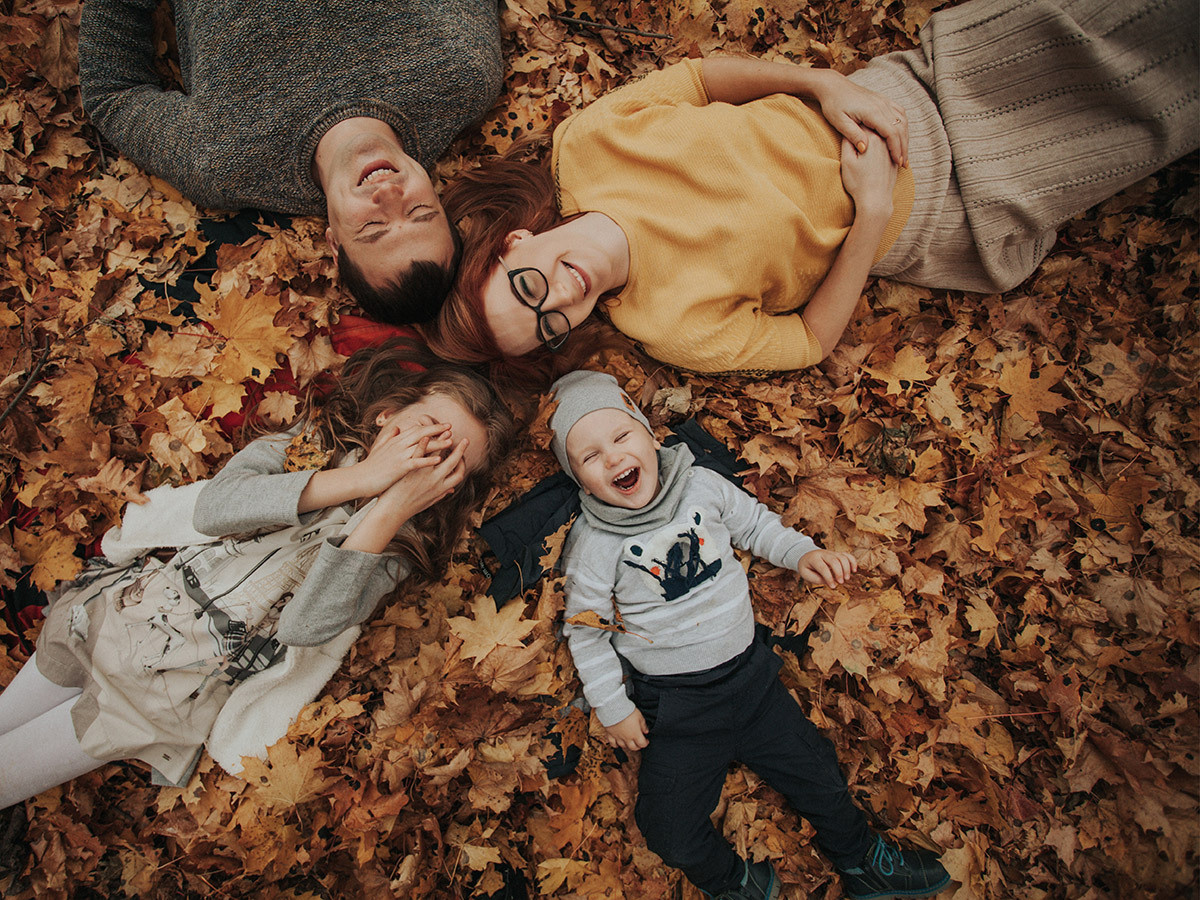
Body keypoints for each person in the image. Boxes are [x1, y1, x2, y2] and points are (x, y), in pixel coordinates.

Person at [425, 0, 1198, 377]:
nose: (561, 298)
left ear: (515, 241)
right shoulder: (671, 326)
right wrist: (873, 215)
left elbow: (698, 80)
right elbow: (807, 342)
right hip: (937, 208)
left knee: (1103, 16)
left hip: (899, 93)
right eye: (551, 325)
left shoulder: (589, 146)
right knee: (1147, 108)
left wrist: (821, 84)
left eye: (527, 286)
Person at [0, 341, 514, 809]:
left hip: (171, 690)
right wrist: (360, 479)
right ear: (385, 416)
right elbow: (216, 509)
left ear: (450, 488)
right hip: (121, 612)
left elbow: (303, 628)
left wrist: (386, 511)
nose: (428, 455)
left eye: (450, 460)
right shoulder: (306, 447)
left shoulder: (394, 550)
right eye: (427, 431)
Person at [549, 370, 950, 900]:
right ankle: (733, 881)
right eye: (589, 456)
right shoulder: (595, 543)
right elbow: (586, 632)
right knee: (666, 825)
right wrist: (612, 705)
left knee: (820, 774)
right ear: (578, 478)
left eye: (622, 437)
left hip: (753, 682)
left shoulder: (700, 485)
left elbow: (756, 526)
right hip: (679, 707)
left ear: (650, 434)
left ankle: (861, 862)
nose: (613, 458)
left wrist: (802, 553)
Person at [78, 0, 505, 324]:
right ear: (441, 198)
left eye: (373, 227)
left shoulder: (223, 159)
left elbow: (112, 93)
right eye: (419, 211)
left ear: (335, 244)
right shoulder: (461, 74)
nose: (389, 195)